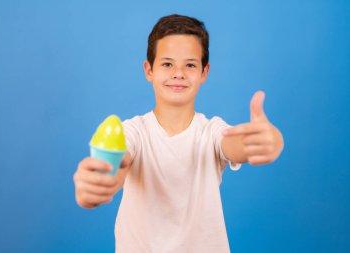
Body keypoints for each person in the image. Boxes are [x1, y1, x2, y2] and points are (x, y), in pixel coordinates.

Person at [73, 14, 284, 253]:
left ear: (204, 72)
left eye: (190, 65)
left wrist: (267, 141)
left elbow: (235, 144)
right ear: (148, 69)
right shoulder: (131, 132)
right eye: (167, 64)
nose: (178, 73)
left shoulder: (211, 131)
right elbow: (119, 163)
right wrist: (97, 185)